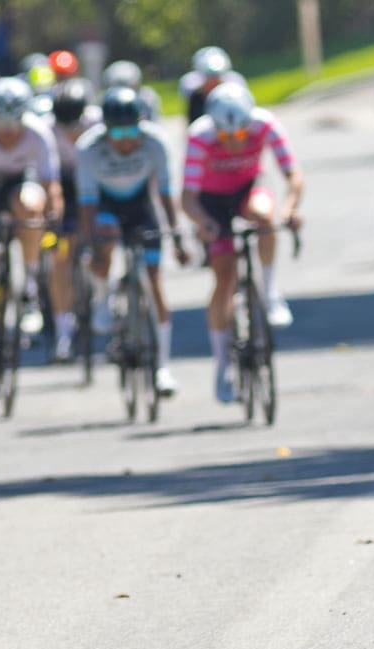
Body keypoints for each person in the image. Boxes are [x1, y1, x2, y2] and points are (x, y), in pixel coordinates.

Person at [181, 82, 303, 402]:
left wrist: (289, 209)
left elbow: (293, 175)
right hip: (212, 200)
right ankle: (222, 366)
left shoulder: (264, 123)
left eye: (241, 136)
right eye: (226, 137)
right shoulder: (199, 135)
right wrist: (203, 222)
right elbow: (189, 197)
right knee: (224, 279)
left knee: (265, 217)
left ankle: (271, 291)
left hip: (248, 188)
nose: (235, 143)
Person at [75, 86, 186, 395]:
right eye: (118, 131)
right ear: (105, 129)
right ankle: (102, 297)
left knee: (154, 281)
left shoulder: (155, 142)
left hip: (141, 207)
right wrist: (91, 242)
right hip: (107, 207)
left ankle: (163, 367)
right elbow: (86, 203)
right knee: (105, 241)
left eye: (132, 129)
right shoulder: (89, 147)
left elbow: (165, 194)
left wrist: (176, 236)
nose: (125, 138)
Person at [0, 76, 63, 338]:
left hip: (18, 184)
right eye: (1, 124)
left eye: (14, 124)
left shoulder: (38, 132)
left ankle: (30, 288)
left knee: (29, 208)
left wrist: (52, 219)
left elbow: (51, 185)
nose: (7, 132)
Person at [46, 77, 102, 361]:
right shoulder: (46, 129)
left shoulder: (98, 123)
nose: (70, 132)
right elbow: (50, 180)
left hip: (94, 182)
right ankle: (63, 332)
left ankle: (104, 298)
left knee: (103, 239)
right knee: (60, 257)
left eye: (75, 125)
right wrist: (54, 217)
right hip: (63, 185)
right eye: (64, 127)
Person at [178, 46, 248, 124]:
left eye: (216, 76)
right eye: (210, 76)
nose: (213, 81)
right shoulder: (195, 97)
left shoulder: (234, 91)